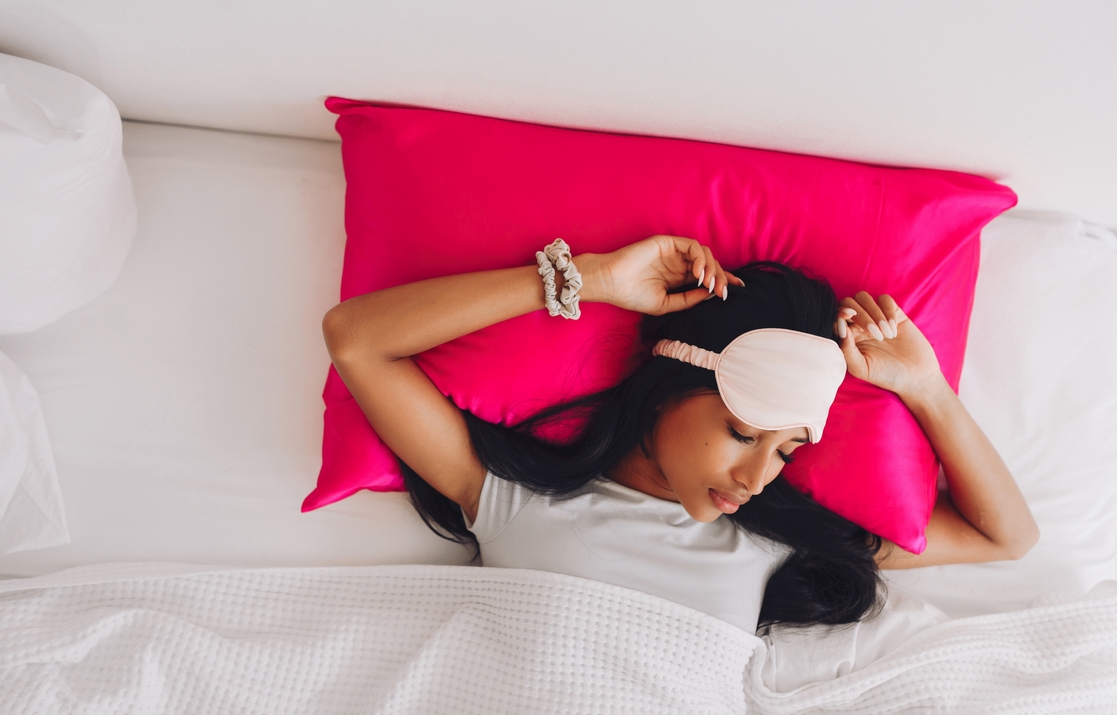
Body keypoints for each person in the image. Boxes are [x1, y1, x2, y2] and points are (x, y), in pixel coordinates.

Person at [322, 235, 1039, 633]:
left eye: (787, 449)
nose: (759, 476)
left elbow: (1005, 537)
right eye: (741, 431)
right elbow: (355, 339)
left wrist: (926, 389)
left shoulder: (767, 539)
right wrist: (592, 278)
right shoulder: (514, 497)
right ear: (668, 388)